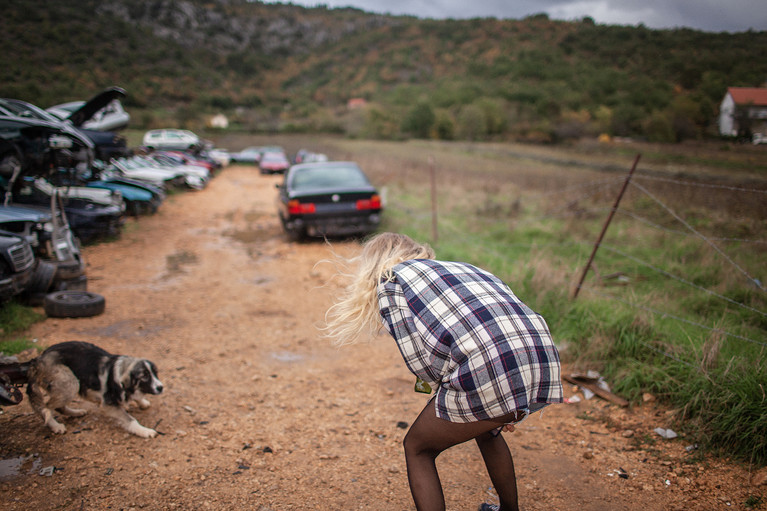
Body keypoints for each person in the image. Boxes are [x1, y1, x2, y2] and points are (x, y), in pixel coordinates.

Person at [323, 232, 563, 511]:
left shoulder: (391, 282)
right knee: (487, 430)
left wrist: (440, 383)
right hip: (540, 355)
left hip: (491, 365)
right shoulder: (461, 267)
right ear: (417, 251)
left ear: (374, 263)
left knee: (417, 448)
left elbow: (421, 362)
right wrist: (511, 401)